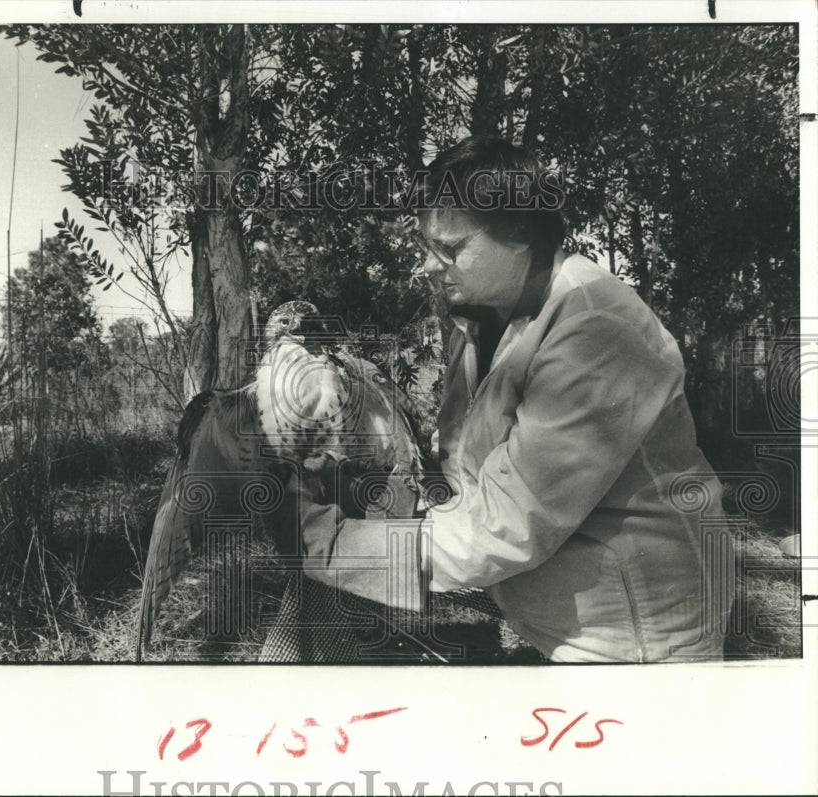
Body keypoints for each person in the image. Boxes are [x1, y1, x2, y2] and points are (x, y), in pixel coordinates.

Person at [270, 136, 733, 664]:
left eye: (450, 248)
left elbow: (507, 526)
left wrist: (328, 543)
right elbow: (479, 478)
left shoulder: (597, 331)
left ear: (519, 233)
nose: (427, 265)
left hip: (638, 641)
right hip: (555, 612)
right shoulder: (478, 320)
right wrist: (385, 501)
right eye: (427, 247)